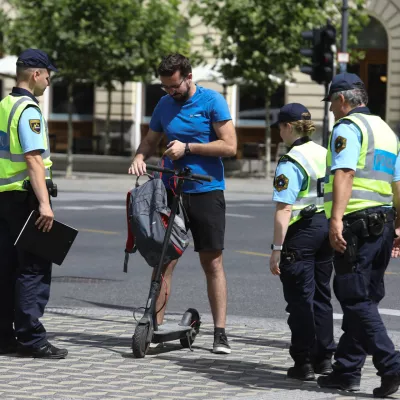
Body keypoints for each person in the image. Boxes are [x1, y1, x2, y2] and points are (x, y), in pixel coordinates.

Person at [129, 53, 237, 354]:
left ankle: (220, 333)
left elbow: (230, 146)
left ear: (188, 77)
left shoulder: (212, 101)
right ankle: (154, 326)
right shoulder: (164, 105)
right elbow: (150, 141)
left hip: (206, 190)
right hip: (170, 191)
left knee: (212, 261)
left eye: (174, 86)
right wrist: (139, 156)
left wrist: (189, 147)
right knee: (164, 260)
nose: (169, 92)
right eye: (165, 87)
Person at [317, 72, 400, 398]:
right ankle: (347, 371)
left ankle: (391, 364)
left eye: (332, 106)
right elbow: (397, 184)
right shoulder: (386, 131)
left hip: (356, 225)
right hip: (382, 223)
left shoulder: (349, 128)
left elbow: (345, 172)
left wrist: (335, 219)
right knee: (364, 298)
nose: (332, 112)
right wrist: (398, 226)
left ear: (342, 100)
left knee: (355, 297)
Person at [0, 49, 67, 359]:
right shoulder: (28, 109)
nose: (50, 80)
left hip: (4, 199)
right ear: (36, 74)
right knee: (33, 268)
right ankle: (31, 339)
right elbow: (33, 158)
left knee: (7, 268)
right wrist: (45, 204)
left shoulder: (4, 105)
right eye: (48, 73)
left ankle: (4, 337)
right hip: (27, 198)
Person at [269, 103, 335, 381]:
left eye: (279, 128)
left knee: (300, 300)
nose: (278, 134)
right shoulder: (325, 153)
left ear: (287, 126)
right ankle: (325, 360)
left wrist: (276, 250)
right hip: (326, 227)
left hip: (302, 234)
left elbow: (284, 210)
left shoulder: (291, 161)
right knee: (322, 296)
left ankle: (303, 362)